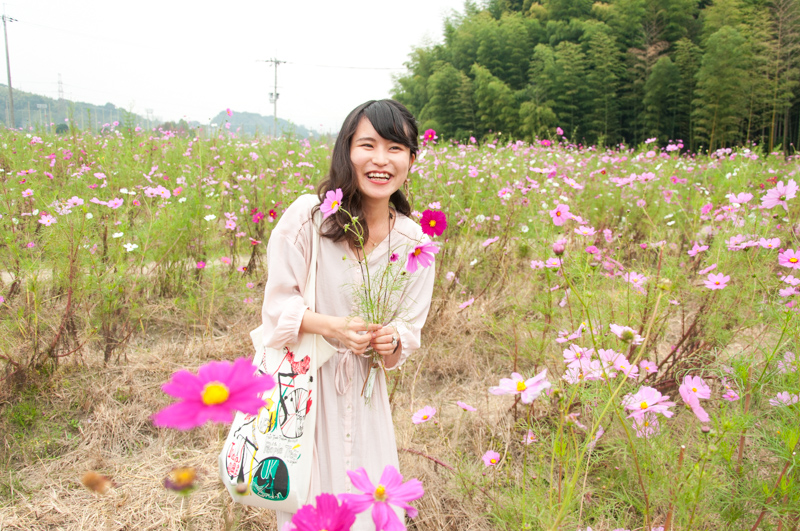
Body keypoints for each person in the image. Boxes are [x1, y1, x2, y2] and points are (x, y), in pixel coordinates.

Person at [259, 99, 436, 529]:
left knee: (370, 512)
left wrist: (390, 340)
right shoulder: (310, 218)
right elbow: (277, 305)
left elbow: (408, 327)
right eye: (368, 145)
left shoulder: (413, 241)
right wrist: (333, 328)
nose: (381, 160)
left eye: (395, 148)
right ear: (347, 150)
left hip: (366, 396)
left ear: (412, 160)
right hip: (304, 390)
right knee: (307, 509)